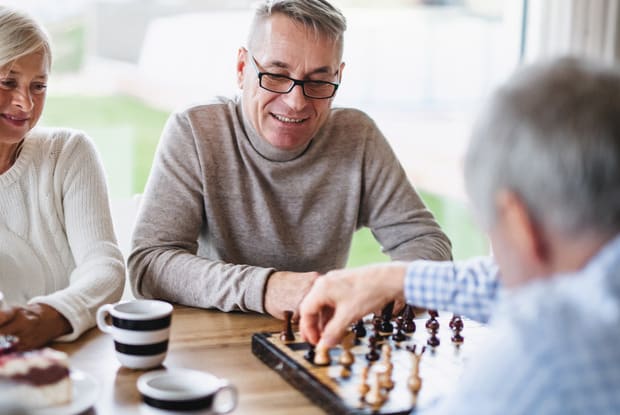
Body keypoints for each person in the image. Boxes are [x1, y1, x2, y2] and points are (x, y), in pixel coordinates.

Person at [299, 56, 620, 414]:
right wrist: (395, 277)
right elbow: (519, 283)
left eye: (494, 233)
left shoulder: (544, 353)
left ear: (519, 223)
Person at [128, 0, 451, 320]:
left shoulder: (357, 137)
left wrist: (386, 284)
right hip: (215, 344)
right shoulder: (196, 131)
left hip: (316, 343)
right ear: (243, 69)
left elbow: (427, 242)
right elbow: (149, 264)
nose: (296, 102)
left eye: (318, 81)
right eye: (276, 75)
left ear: (338, 78)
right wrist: (267, 288)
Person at [0, 6, 125, 351]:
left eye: (38, 86)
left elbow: (105, 265)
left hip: (74, 365)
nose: (24, 102)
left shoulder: (68, 153)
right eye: (7, 82)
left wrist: (50, 316)